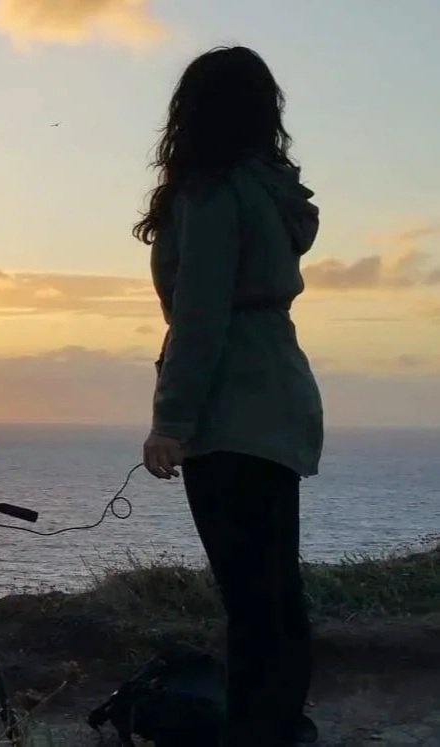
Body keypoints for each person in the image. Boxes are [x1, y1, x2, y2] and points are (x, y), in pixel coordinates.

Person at [135, 46, 324, 746]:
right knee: (277, 592)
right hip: (281, 393)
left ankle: (255, 735)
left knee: (248, 599)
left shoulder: (210, 193)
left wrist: (170, 419)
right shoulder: (271, 189)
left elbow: (200, 313)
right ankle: (281, 728)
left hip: (230, 403)